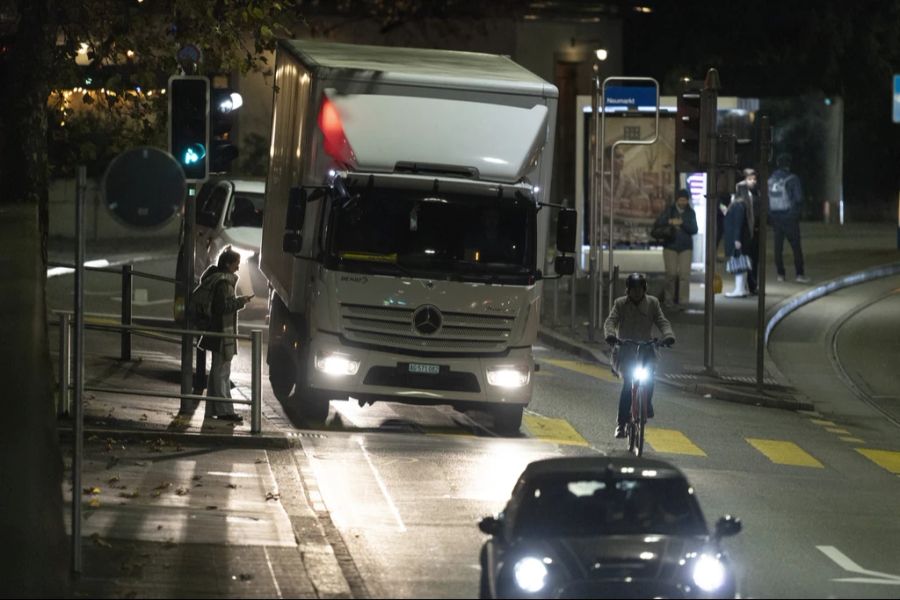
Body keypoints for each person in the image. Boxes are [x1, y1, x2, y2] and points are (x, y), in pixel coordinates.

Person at [603, 273, 675, 439]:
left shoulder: (653, 303)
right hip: (626, 350)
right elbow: (610, 322)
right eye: (633, 289)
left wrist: (668, 336)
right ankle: (621, 424)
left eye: (639, 289)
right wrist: (611, 335)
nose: (636, 292)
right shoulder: (620, 304)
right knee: (628, 384)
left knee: (649, 377)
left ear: (644, 289)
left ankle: (647, 404)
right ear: (628, 290)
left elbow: (662, 321)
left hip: (646, 349)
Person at [197, 247, 253, 422]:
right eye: (236, 264)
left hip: (217, 332)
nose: (238, 267)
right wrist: (240, 302)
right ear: (228, 264)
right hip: (221, 334)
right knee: (222, 373)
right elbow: (221, 308)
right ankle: (224, 411)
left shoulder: (219, 280)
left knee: (217, 372)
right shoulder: (223, 283)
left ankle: (213, 408)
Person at [653, 189, 698, 310]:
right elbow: (659, 222)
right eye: (681, 199)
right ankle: (669, 300)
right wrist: (670, 221)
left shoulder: (690, 212)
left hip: (685, 247)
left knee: (684, 275)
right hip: (670, 246)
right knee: (671, 274)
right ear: (677, 200)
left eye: (685, 200)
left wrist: (682, 223)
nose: (683, 202)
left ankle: (683, 301)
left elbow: (694, 229)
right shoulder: (669, 210)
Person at [768, 154, 809, 283]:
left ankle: (781, 274)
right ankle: (799, 275)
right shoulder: (793, 179)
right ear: (788, 165)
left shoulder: (770, 180)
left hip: (776, 218)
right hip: (790, 218)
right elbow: (798, 199)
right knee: (796, 247)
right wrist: (795, 214)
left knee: (778, 248)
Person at [723, 179, 754, 298]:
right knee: (743, 263)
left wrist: (736, 239)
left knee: (738, 263)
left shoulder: (738, 205)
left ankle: (739, 289)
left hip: (737, 238)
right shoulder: (744, 204)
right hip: (743, 238)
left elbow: (737, 223)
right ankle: (742, 288)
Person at [734, 168, 761, 293]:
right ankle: (746, 285)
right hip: (745, 231)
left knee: (754, 259)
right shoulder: (741, 192)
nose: (753, 182)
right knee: (746, 259)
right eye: (750, 179)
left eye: (754, 179)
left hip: (755, 230)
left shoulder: (756, 193)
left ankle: (752, 285)